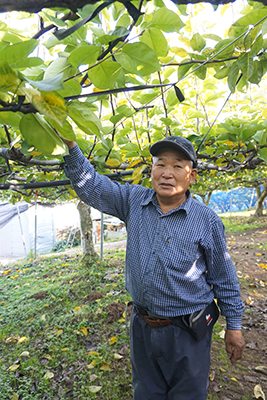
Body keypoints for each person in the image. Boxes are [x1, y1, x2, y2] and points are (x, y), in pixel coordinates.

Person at [62, 135, 245, 400]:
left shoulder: (207, 221)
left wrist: (234, 326)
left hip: (187, 331)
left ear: (191, 175)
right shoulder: (134, 201)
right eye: (160, 164)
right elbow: (93, 188)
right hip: (142, 325)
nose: (167, 173)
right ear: (152, 172)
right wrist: (71, 148)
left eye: (177, 166)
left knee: (188, 394)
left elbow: (224, 277)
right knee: (147, 392)